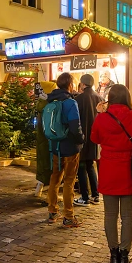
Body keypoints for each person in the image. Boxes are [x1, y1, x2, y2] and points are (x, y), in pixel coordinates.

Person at [90, 84, 132, 263]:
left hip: (109, 169)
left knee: (110, 215)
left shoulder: (102, 118)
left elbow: (94, 139)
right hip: (129, 172)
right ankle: (124, 254)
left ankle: (113, 253)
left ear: (110, 97)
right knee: (128, 215)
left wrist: (101, 114)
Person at [44, 72, 85, 228]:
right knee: (69, 182)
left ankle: (52, 212)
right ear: (70, 84)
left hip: (54, 146)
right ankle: (68, 217)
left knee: (54, 179)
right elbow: (75, 127)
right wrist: (81, 139)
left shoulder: (51, 101)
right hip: (70, 148)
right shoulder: (70, 103)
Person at [74, 73, 103, 207]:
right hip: (95, 138)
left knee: (81, 166)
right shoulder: (99, 98)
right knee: (91, 165)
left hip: (82, 138)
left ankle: (84, 197)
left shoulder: (79, 99)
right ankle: (96, 195)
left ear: (83, 84)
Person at [35, 81, 56, 198]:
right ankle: (49, 193)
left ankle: (39, 189)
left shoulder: (41, 103)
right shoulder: (49, 104)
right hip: (49, 138)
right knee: (49, 164)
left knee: (42, 162)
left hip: (41, 138)